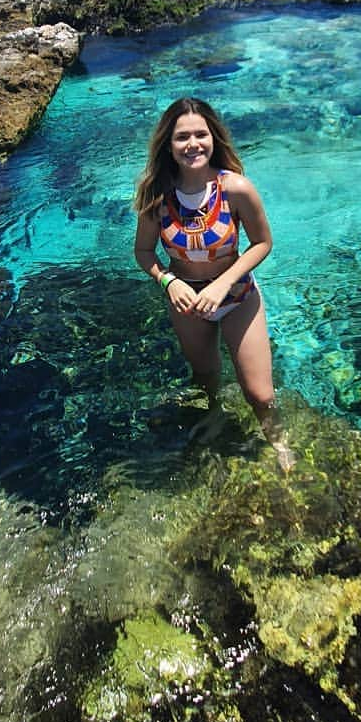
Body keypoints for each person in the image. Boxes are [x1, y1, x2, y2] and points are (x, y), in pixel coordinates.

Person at [133, 97, 293, 468]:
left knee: (259, 392)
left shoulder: (235, 188)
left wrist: (223, 283)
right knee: (204, 376)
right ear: (168, 145)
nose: (193, 144)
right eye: (182, 137)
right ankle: (214, 414)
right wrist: (168, 281)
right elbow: (143, 251)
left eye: (201, 135)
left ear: (213, 138)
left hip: (237, 296)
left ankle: (280, 442)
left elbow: (263, 243)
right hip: (187, 302)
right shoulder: (156, 196)